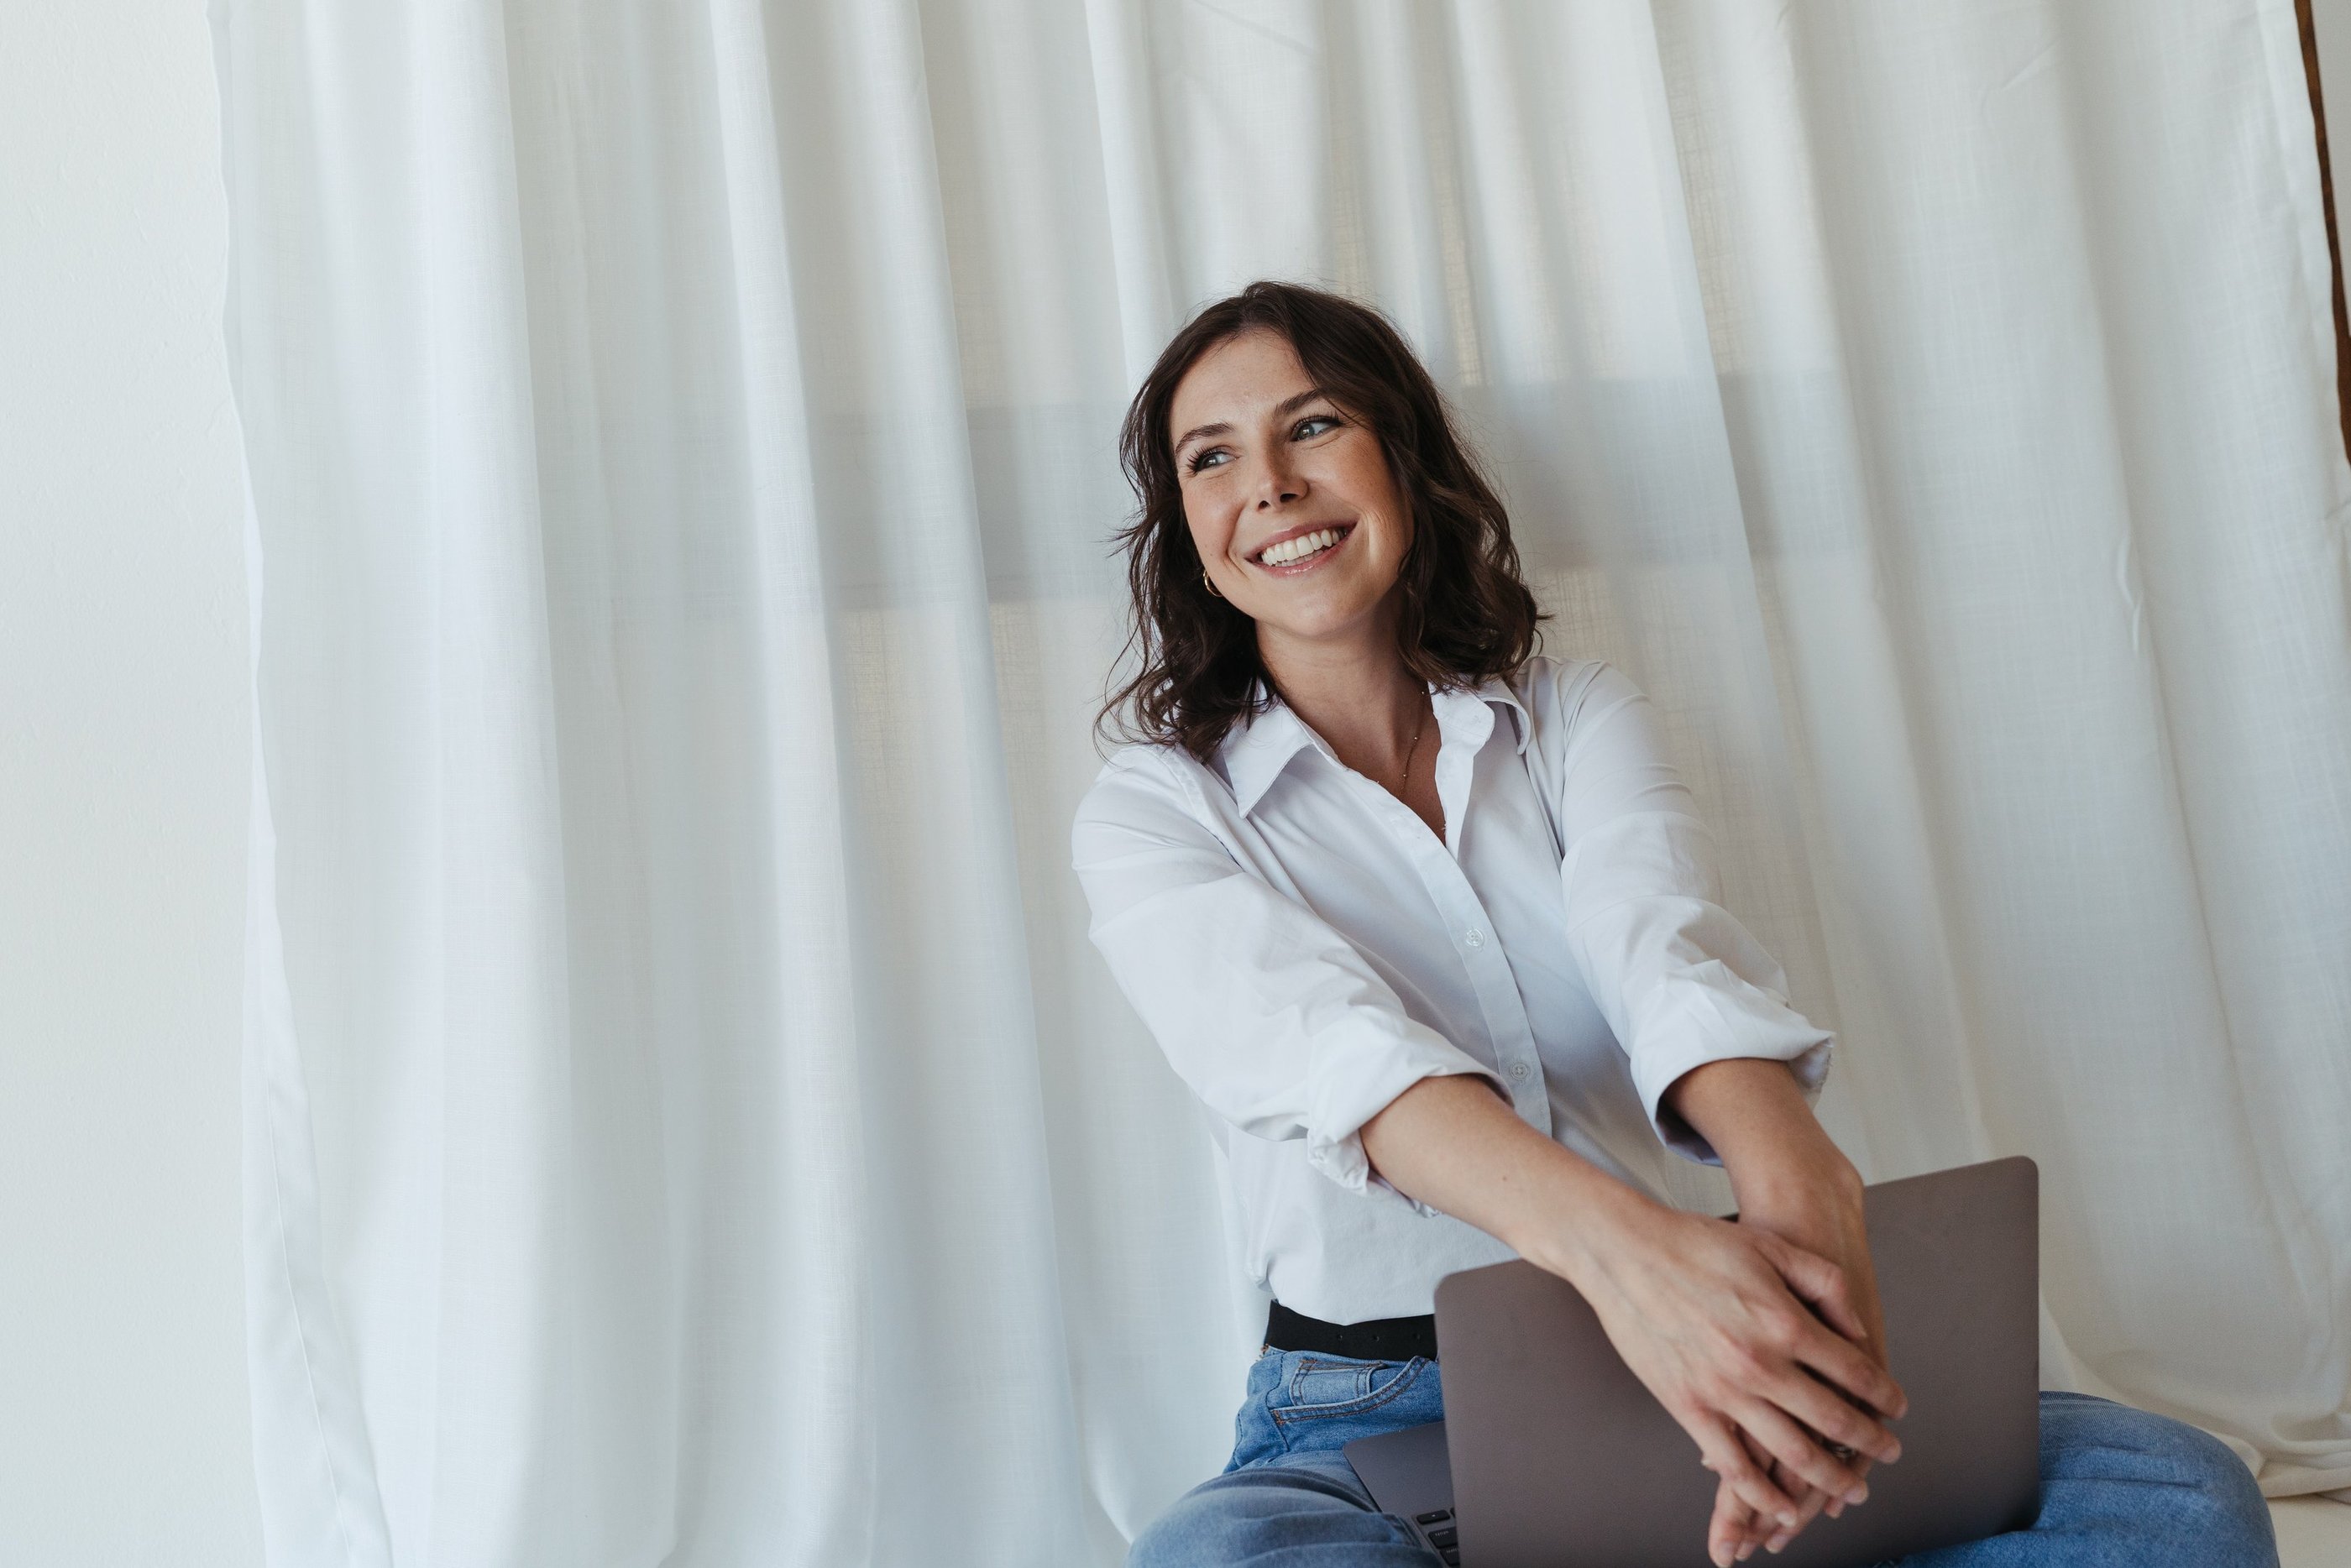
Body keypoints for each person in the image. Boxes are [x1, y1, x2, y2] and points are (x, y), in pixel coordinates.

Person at [1069, 281, 2277, 1568]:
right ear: (1189, 530)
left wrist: (1799, 1190)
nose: (1269, 484)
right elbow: (1339, 1054)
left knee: (2181, 1502)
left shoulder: (1572, 717)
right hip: (1369, 1408)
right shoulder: (1153, 811)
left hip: (1696, 1337)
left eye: (1313, 427)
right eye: (1213, 458)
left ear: (1402, 457)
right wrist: (1632, 1268)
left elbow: (1663, 951)